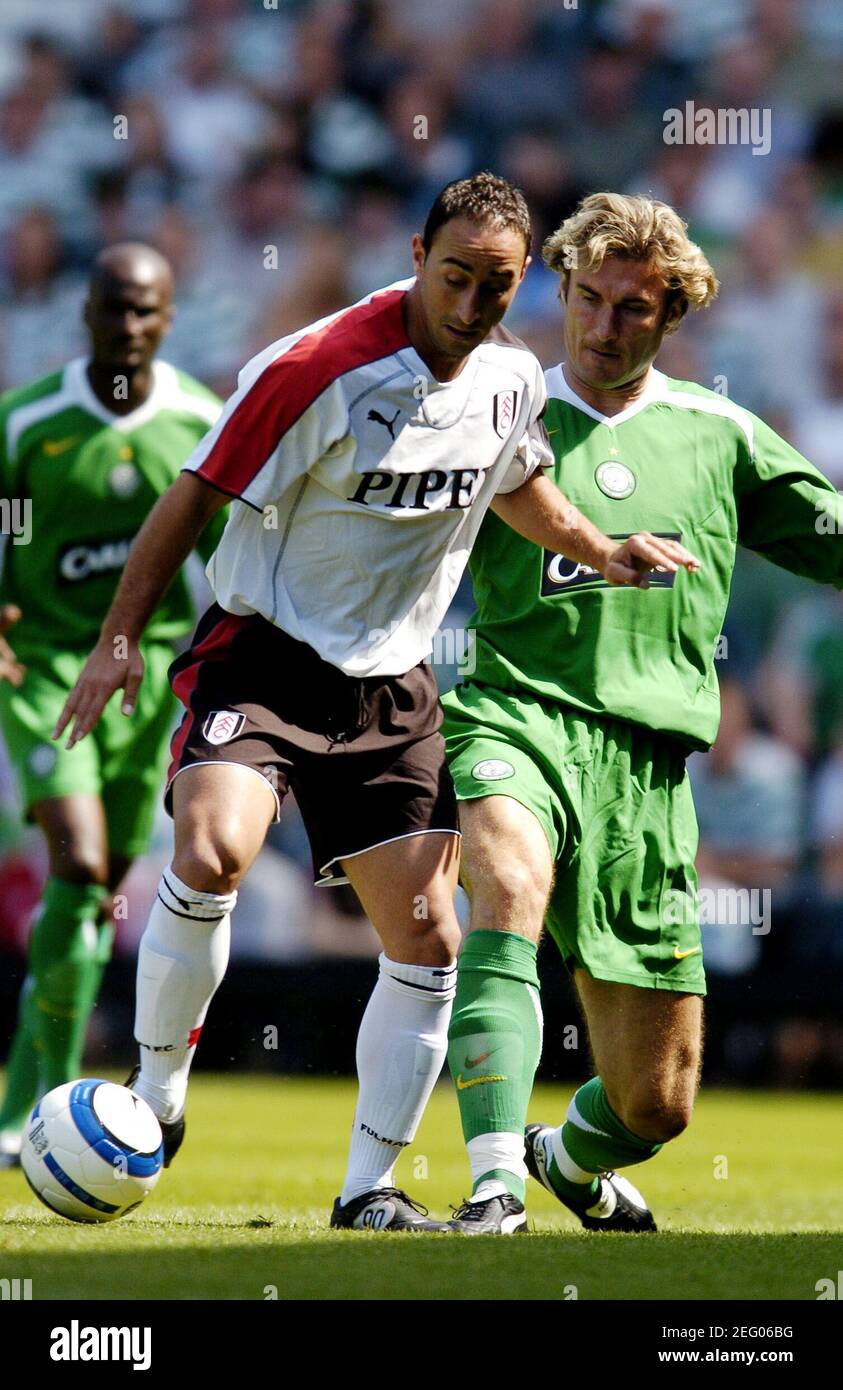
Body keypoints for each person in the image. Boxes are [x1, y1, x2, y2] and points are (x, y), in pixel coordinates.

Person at [54, 173, 697, 1232]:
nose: (472, 303)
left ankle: (368, 1191)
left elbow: (517, 483)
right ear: (415, 256)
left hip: (393, 684)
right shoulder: (313, 369)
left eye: (497, 284)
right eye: (455, 275)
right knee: (212, 850)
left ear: (521, 280)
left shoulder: (509, 380)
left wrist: (600, 549)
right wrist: (118, 639)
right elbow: (193, 495)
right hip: (266, 656)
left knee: (431, 939)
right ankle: (157, 1095)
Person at [441, 190, 843, 1234]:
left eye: (632, 308)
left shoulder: (720, 432)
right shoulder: (499, 411)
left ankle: (566, 1158)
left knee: (656, 1102)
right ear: (563, 291)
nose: (604, 326)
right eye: (588, 298)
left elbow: (832, 538)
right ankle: (493, 1185)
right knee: (506, 888)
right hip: (514, 714)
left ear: (673, 317)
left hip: (650, 773)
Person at [0, 243, 224, 1165]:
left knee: (94, 902)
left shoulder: (201, 423)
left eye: (146, 310)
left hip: (151, 678)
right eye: (115, 307)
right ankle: (51, 1102)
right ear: (86, 312)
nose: (129, 326)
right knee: (81, 862)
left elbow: (233, 557)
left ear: (169, 318)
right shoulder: (28, 423)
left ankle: (20, 1102)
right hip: (47, 667)